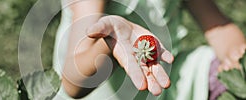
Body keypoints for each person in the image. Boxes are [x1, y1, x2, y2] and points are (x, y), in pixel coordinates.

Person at [52, 0, 246, 99]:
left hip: (163, 81)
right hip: (106, 95)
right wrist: (110, 45)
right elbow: (73, 83)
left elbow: (219, 29)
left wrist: (238, 58)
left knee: (208, 62)